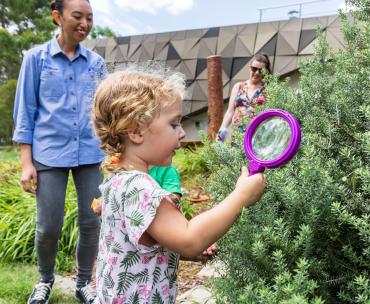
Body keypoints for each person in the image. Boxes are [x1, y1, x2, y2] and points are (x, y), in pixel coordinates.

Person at [92, 69, 266, 303]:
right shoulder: (140, 188)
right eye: (174, 124)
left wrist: (179, 250)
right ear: (135, 132)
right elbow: (188, 240)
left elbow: (143, 248)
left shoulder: (117, 179)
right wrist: (241, 196)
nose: (183, 132)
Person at [12, 1, 106, 303]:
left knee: (92, 222)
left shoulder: (96, 63)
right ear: (57, 17)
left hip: (90, 154)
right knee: (48, 226)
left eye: (89, 18)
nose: (85, 23)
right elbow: (25, 112)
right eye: (77, 16)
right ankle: (45, 279)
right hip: (48, 154)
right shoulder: (35, 59)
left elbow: (104, 112)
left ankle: (83, 283)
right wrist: (27, 162)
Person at [217, 54, 272, 142]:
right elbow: (230, 112)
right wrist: (221, 131)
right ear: (249, 68)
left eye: (260, 70)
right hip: (238, 137)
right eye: (254, 69)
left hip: (257, 138)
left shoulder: (267, 90)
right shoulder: (238, 86)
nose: (257, 72)